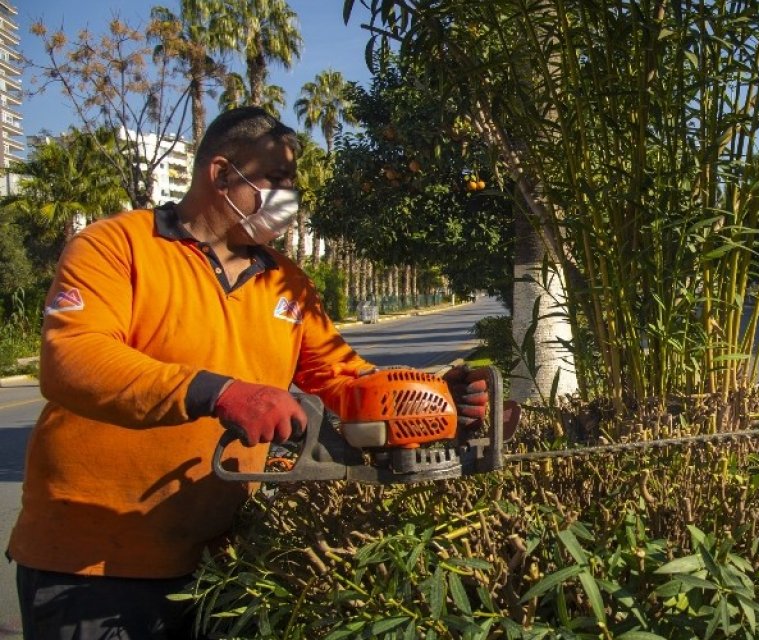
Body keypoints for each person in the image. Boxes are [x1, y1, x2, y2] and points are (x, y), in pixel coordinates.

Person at [5, 107, 489, 638]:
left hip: (224, 563)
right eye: (275, 180)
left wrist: (433, 401)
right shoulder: (115, 246)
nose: (289, 197)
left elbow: (343, 379)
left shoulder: (286, 282)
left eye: (292, 183)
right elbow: (73, 359)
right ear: (220, 175)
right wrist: (220, 393)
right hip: (93, 564)